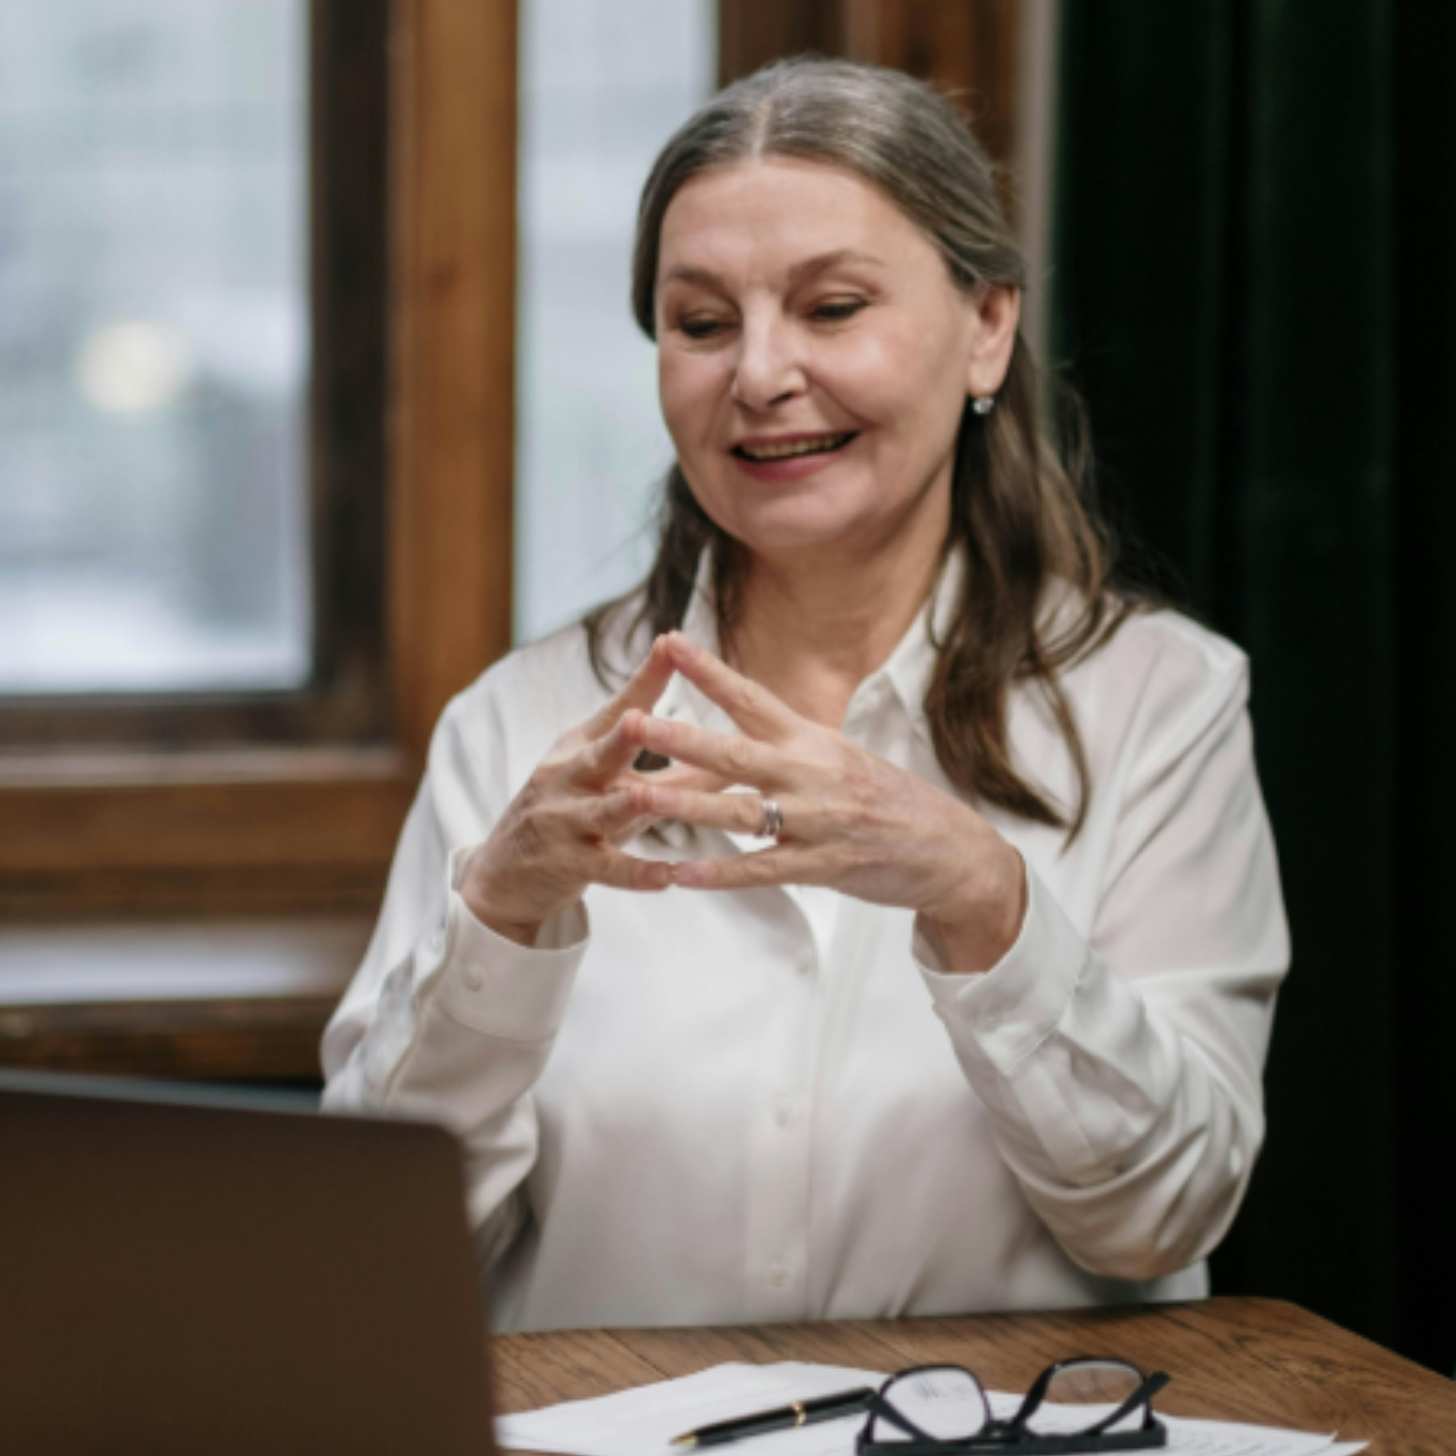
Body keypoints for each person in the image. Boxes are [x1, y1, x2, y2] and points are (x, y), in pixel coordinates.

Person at [322, 57, 1288, 1332]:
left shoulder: (1162, 702)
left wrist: (981, 898)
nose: (760, 375)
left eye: (831, 308)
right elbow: (376, 1261)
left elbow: (1160, 1215)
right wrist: (499, 916)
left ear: (986, 324)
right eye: (702, 323)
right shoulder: (517, 724)